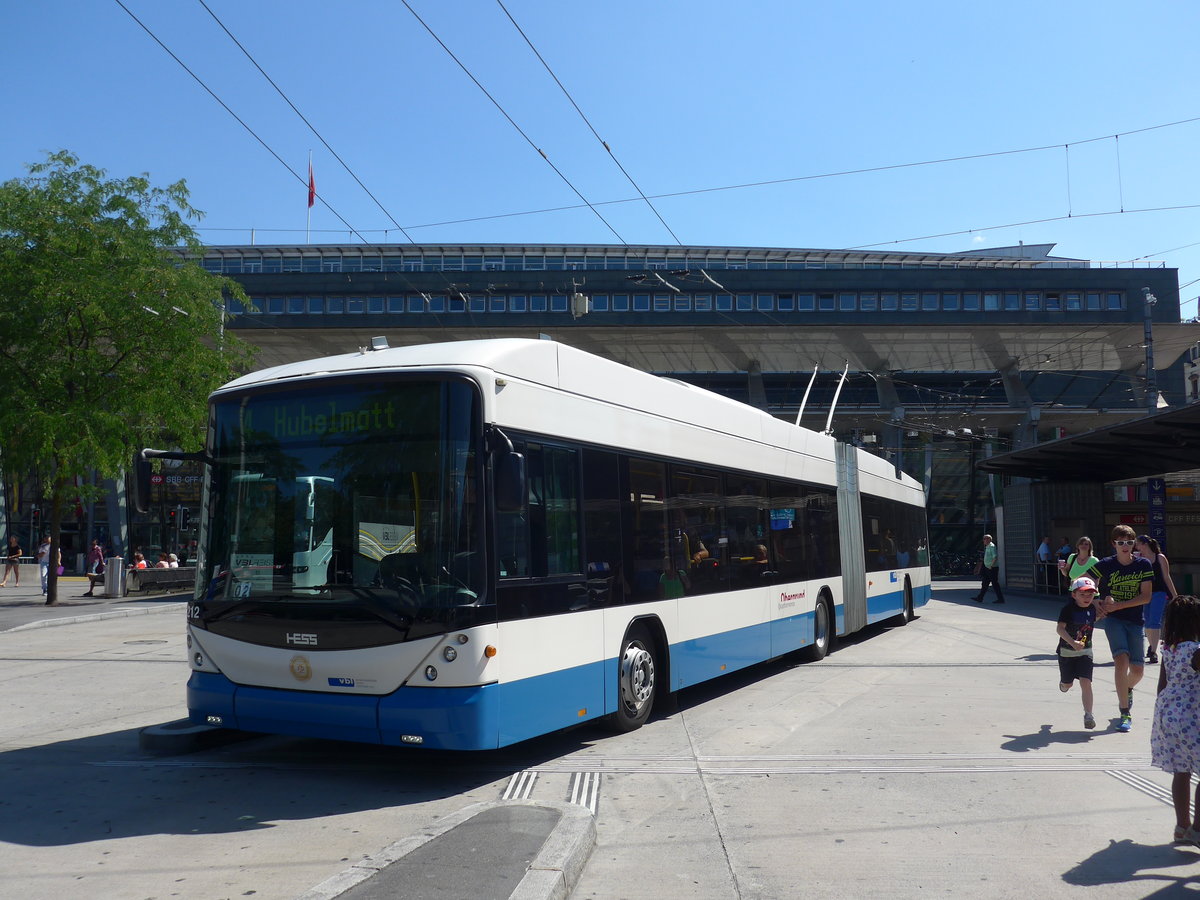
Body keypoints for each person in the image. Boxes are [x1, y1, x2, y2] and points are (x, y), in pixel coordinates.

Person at [1149, 594, 1200, 847]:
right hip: (1193, 716)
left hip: (1167, 713)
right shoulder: (1195, 651)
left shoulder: (1168, 648)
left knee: (1182, 771)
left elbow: (1162, 684)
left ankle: (1182, 827)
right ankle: (1198, 830)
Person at [1096, 524, 1154, 732]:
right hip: (1114, 621)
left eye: (1129, 542)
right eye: (1121, 543)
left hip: (1135, 620)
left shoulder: (1143, 564)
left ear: (1134, 544)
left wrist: (1117, 604)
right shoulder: (1106, 564)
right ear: (1114, 544)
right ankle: (1124, 712)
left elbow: (1146, 596)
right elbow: (1081, 580)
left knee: (1137, 669)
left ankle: (1126, 687)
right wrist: (1097, 602)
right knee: (1121, 659)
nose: (1125, 546)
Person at [1057, 576, 1100, 730]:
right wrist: (1073, 643)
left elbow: (1095, 619)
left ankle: (1088, 715)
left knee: (1086, 682)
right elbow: (1060, 629)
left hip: (1085, 652)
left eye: (1090, 594)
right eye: (1082, 594)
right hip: (1067, 652)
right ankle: (1063, 684)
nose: (1087, 597)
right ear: (1074, 595)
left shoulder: (1092, 609)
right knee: (1068, 684)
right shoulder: (1068, 610)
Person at [1136, 535, 1178, 665]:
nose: (1136, 547)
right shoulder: (1139, 558)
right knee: (1147, 622)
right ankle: (1152, 645)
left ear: (1144, 544)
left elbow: (1166, 577)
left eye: (1137, 544)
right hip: (1144, 593)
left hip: (1159, 593)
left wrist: (1175, 595)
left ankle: (1153, 651)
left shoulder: (1160, 557)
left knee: (1154, 621)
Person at [971, 534, 1004, 604]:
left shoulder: (992, 547)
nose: (983, 540)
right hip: (987, 567)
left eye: (985, 539)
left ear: (989, 539)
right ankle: (980, 597)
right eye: (983, 539)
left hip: (992, 568)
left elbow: (995, 557)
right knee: (985, 583)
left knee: (995, 584)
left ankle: (1001, 599)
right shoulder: (987, 547)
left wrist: (991, 565)